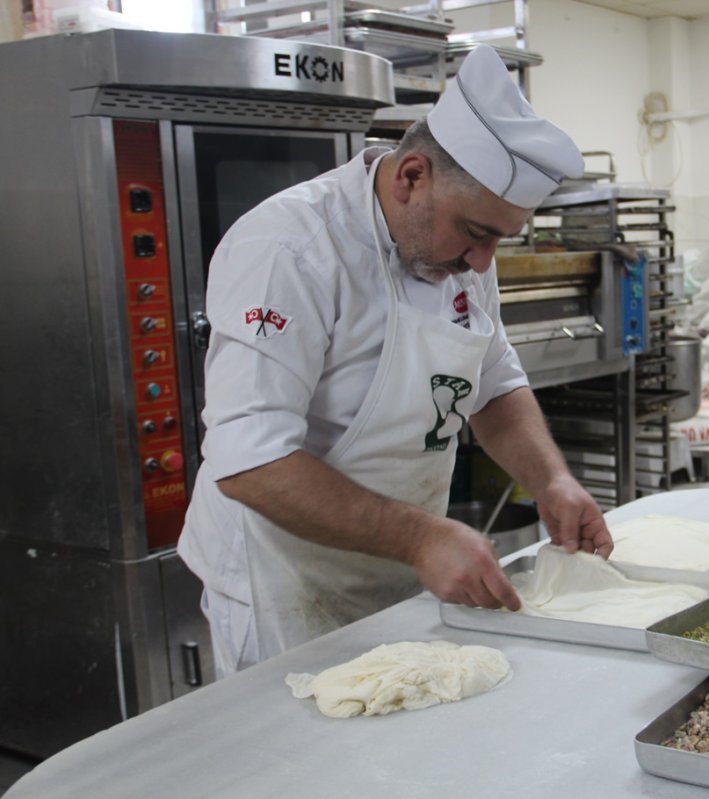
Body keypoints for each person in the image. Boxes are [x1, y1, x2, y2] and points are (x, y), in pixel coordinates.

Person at [179, 45, 613, 678]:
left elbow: (492, 384)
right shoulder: (289, 249)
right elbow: (250, 461)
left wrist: (551, 480)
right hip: (281, 584)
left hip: (398, 568)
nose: (483, 261)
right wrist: (420, 537)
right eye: (476, 232)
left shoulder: (457, 255)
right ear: (412, 176)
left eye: (499, 237)